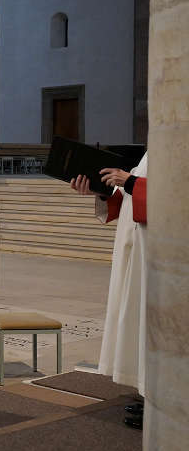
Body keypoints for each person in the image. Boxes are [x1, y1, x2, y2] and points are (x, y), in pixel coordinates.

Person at [70, 152, 148, 429]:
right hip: (136, 248)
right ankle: (150, 393)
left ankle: (162, 400)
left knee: (147, 324)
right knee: (137, 321)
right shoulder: (156, 150)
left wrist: (129, 182)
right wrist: (103, 192)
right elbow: (129, 198)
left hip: (153, 254)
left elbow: (173, 198)